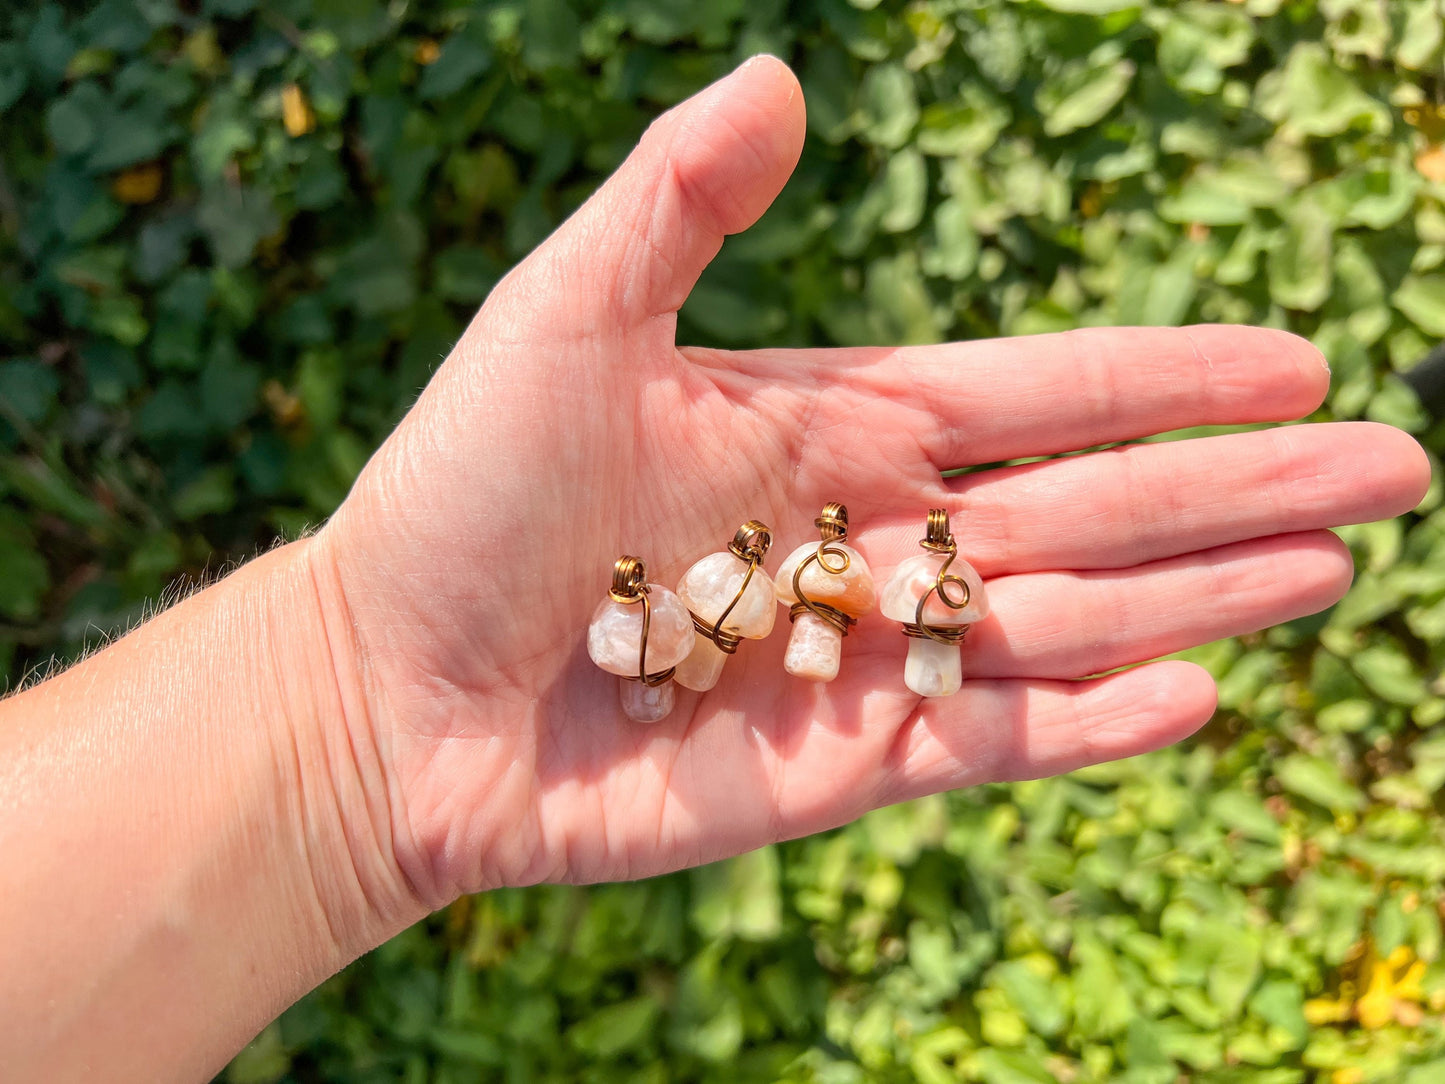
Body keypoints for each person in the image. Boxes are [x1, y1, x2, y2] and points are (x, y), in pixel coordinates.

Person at [0, 56, 1430, 1082]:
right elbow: (727, 612)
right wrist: (361, 696)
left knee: (851, 655)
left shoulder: (801, 581)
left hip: (794, 634)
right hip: (701, 648)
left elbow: (852, 598)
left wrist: (351, 726)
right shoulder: (694, 596)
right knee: (703, 670)